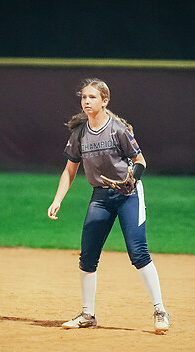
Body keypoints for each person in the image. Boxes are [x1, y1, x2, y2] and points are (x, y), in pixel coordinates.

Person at [47, 78, 169, 333]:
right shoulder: (79, 134)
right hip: (101, 197)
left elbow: (140, 161)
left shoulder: (117, 130)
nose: (86, 101)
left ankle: (160, 310)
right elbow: (69, 170)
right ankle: (87, 314)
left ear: (105, 101)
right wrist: (57, 200)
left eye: (92, 97)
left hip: (128, 195)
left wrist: (133, 179)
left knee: (138, 252)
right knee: (87, 255)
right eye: (84, 97)